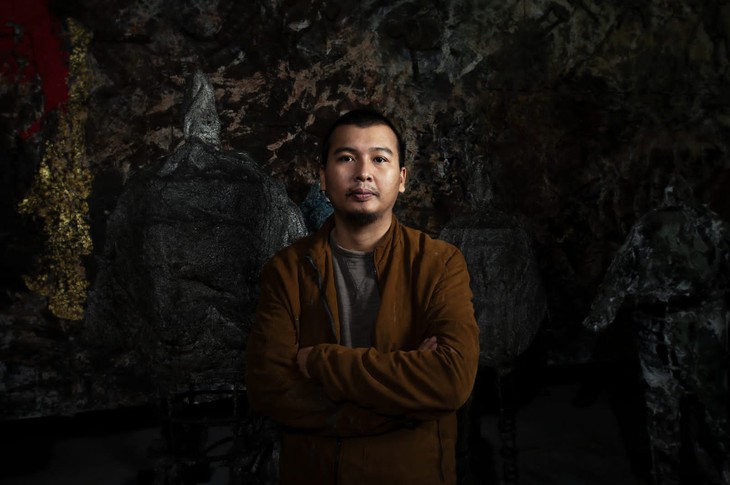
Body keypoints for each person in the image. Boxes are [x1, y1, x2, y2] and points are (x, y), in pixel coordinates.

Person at [245, 109, 480, 485]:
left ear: (401, 179)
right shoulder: (287, 270)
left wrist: (319, 361)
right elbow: (269, 388)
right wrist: (393, 411)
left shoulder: (439, 263)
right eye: (346, 158)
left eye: (380, 159)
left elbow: (451, 381)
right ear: (323, 178)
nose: (363, 173)